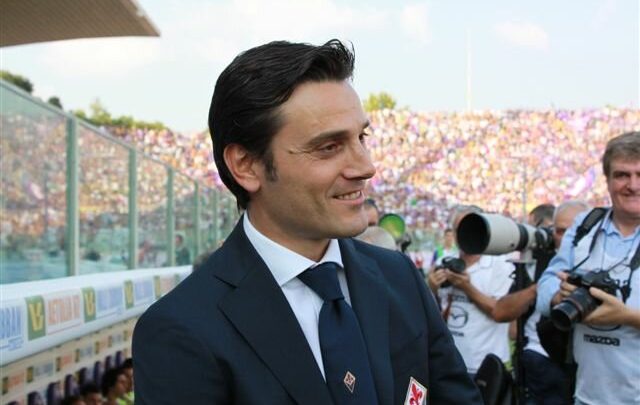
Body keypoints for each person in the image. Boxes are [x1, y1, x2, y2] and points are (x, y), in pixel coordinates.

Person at [133, 39, 481, 404]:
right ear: (246, 166)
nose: (366, 166)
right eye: (329, 147)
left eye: (361, 137)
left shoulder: (398, 276)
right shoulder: (182, 328)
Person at [536, 131, 640, 404]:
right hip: (587, 395)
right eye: (622, 175)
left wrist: (628, 317)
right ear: (607, 180)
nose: (633, 185)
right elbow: (546, 284)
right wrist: (558, 296)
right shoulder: (585, 226)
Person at [493, 200, 590, 405]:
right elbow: (501, 312)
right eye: (560, 231)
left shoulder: (605, 263)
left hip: (587, 366)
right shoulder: (540, 264)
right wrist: (543, 288)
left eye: (575, 231)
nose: (567, 238)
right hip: (542, 361)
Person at [427, 205, 514, 376]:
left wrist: (467, 288)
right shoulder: (444, 261)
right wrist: (432, 289)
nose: (464, 233)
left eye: (470, 227)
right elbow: (434, 314)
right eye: (458, 229)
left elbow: (500, 311)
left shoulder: (501, 264)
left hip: (485, 364)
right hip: (450, 361)